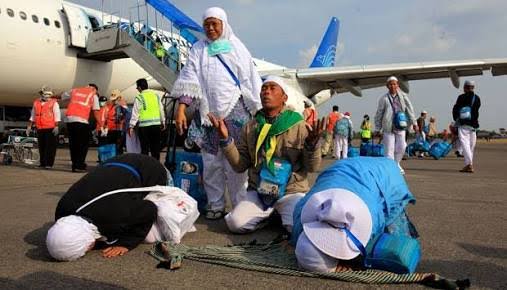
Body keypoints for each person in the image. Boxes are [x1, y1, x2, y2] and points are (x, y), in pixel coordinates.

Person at [172, 7, 262, 220]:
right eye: (207, 24)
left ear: (223, 24)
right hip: (207, 115)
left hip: (236, 113)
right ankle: (216, 204)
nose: (211, 28)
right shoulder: (198, 49)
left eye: (215, 24)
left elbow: (250, 78)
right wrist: (182, 108)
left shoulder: (237, 47)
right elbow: (190, 78)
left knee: (236, 164)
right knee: (211, 164)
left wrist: (258, 109)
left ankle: (240, 206)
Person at [208, 75, 323, 233]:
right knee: (235, 224)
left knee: (297, 228)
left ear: (284, 98)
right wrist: (226, 139)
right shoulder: (251, 127)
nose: (266, 92)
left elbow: (313, 167)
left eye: (272, 88)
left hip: (290, 191)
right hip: (260, 191)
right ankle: (267, 217)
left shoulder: (298, 125)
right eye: (263, 89)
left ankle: (278, 215)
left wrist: (312, 144)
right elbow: (239, 165)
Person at [292, 157, 418, 273]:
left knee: (399, 248)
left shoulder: (371, 218)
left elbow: (376, 227)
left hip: (385, 174)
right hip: (341, 169)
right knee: (394, 254)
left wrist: (352, 261)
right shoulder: (299, 220)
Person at [46, 154, 170, 261]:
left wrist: (126, 243)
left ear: (88, 245)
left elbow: (150, 209)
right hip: (115, 162)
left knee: (151, 236)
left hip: (150, 169)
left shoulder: (115, 216)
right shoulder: (62, 211)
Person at [374, 76, 417, 174]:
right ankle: (391, 168)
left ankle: (396, 163)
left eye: (394, 84)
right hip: (388, 126)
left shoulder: (403, 96)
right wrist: (377, 128)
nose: (393, 86)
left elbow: (410, 109)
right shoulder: (384, 99)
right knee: (389, 148)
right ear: (387, 86)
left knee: (402, 146)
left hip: (400, 125)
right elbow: (379, 113)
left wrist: (414, 122)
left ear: (398, 85)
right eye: (390, 84)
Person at [63, 84, 101, 172]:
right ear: (94, 89)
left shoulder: (75, 90)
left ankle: (75, 165)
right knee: (83, 144)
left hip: (70, 120)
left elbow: (62, 96)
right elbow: (95, 111)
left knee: (73, 144)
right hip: (82, 121)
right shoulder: (93, 94)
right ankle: (79, 165)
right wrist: (101, 124)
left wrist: (52, 96)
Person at [128, 78, 166, 160]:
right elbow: (161, 110)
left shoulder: (139, 97)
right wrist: (163, 122)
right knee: (155, 148)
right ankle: (156, 165)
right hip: (156, 125)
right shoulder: (156, 96)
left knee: (144, 148)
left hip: (144, 127)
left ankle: (145, 166)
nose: (137, 90)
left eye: (137, 88)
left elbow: (135, 113)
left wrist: (131, 126)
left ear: (140, 88)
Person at [27, 86, 61, 169]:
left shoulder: (54, 103)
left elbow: (57, 115)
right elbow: (33, 116)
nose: (47, 96)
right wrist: (29, 126)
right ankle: (42, 164)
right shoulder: (36, 103)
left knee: (50, 147)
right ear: (42, 94)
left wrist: (56, 126)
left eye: (49, 95)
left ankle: (49, 164)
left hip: (51, 128)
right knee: (42, 147)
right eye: (46, 94)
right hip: (40, 128)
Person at [452, 80, 481, 173]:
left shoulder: (461, 97)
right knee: (471, 146)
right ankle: (468, 165)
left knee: (465, 144)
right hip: (473, 126)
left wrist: (456, 119)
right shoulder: (477, 98)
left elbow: (455, 109)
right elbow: (476, 111)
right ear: (473, 87)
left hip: (463, 124)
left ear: (465, 87)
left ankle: (469, 164)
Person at [106, 89, 128, 155]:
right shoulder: (111, 106)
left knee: (118, 148)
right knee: (112, 147)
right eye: (112, 99)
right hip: (111, 130)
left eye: (114, 99)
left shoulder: (123, 106)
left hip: (120, 130)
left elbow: (125, 117)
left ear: (119, 97)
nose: (113, 101)